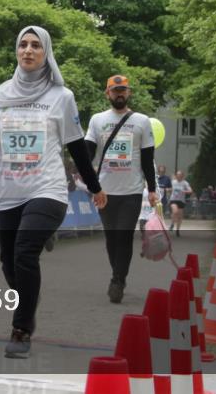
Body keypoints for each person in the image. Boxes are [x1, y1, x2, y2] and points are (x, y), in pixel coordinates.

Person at [0, 26, 107, 359]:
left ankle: (20, 331)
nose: (28, 50)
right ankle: (28, 300)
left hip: (47, 186)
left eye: (35, 46)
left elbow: (76, 147)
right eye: (22, 45)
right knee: (9, 262)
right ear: (16, 51)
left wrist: (95, 186)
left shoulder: (62, 97)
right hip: (7, 189)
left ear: (46, 53)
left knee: (24, 253)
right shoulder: (1, 94)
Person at [85, 74, 158, 303]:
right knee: (111, 238)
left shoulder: (142, 121)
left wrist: (153, 189)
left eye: (123, 90)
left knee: (124, 236)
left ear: (129, 93)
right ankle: (118, 274)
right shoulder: (97, 120)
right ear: (107, 93)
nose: (119, 93)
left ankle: (117, 280)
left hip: (132, 191)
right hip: (104, 191)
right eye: (115, 90)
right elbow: (87, 152)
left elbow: (147, 159)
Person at [169, 170, 194, 237]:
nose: (179, 177)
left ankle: (177, 230)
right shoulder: (173, 182)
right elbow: (169, 187)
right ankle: (172, 224)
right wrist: (168, 190)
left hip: (181, 201)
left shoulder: (185, 183)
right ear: (176, 176)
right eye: (177, 175)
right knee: (175, 211)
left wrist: (184, 191)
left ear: (182, 176)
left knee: (180, 217)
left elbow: (190, 191)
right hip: (173, 199)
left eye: (180, 176)